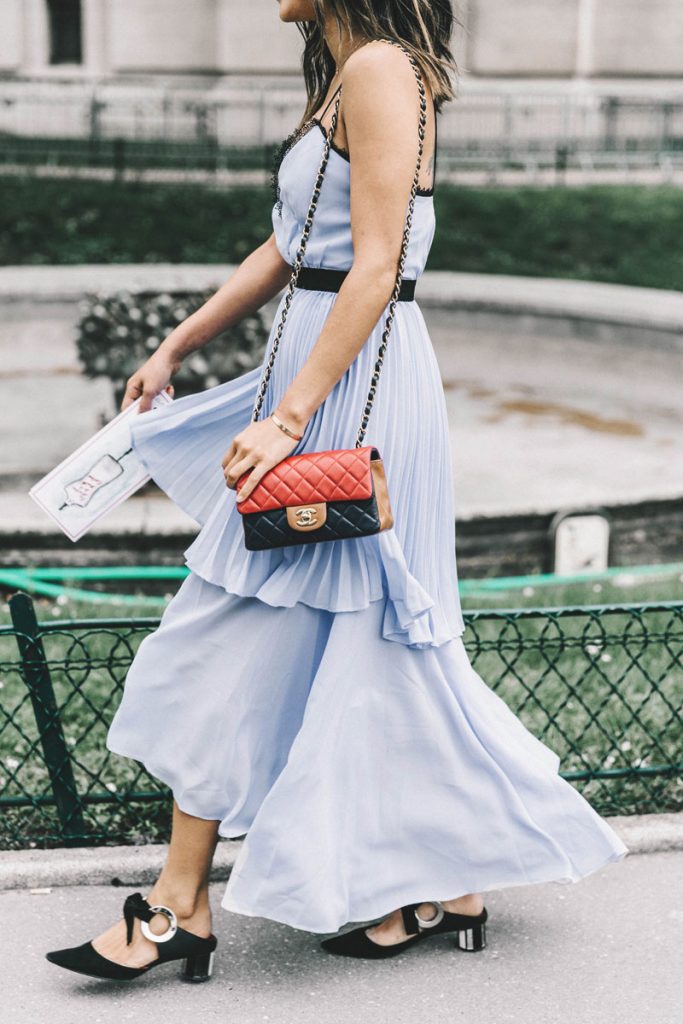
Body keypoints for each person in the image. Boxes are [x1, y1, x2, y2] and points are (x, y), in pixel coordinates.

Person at [45, 1, 628, 983]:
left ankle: (183, 904)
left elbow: (377, 260)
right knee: (338, 643)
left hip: (347, 392)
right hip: (316, 378)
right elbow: (291, 247)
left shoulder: (380, 71)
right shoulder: (347, 70)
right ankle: (436, 877)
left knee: (246, 628)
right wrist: (179, 343)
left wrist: (286, 419)